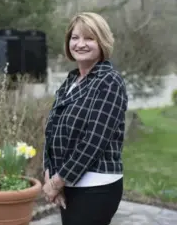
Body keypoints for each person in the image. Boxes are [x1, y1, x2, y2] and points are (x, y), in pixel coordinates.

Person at [42, 12, 128, 225]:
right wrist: (50, 175)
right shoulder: (72, 80)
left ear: (103, 42)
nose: (80, 44)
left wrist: (57, 182)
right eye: (75, 37)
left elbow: (93, 141)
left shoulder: (109, 81)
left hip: (96, 188)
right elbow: (52, 131)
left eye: (89, 38)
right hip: (67, 185)